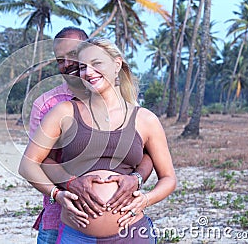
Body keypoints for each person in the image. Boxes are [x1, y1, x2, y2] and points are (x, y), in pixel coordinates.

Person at [20, 37, 176, 243]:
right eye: (83, 67)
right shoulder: (63, 112)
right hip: (76, 236)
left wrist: (145, 200)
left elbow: (168, 178)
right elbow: (28, 165)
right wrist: (58, 194)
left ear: (117, 64)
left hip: (131, 234)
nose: (89, 72)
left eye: (97, 63)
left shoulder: (145, 119)